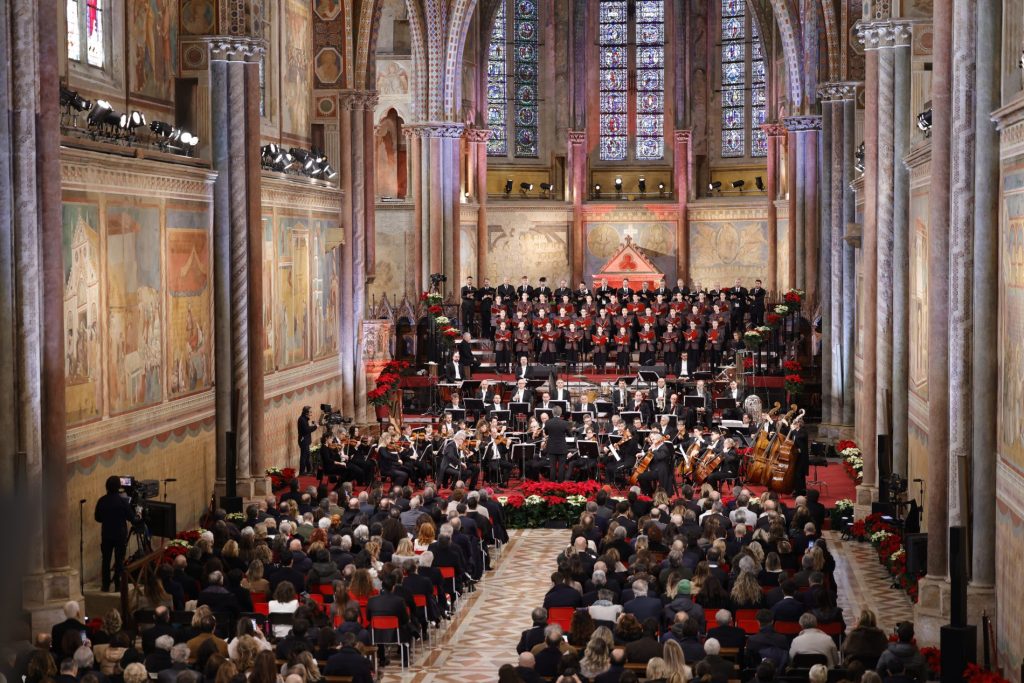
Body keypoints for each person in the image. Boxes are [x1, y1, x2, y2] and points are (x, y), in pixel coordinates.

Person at [95, 476, 135, 593]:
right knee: (119, 561)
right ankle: (118, 585)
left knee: (106, 560)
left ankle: (105, 585)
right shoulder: (122, 502)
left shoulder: (102, 501)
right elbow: (131, 518)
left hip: (106, 534)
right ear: (119, 487)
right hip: (120, 535)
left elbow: (97, 518)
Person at [544, 406, 573, 482]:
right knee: (561, 467)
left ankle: (552, 483)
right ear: (560, 413)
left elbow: (546, 433)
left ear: (552, 413)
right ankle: (560, 483)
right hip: (562, 447)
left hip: (551, 447)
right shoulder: (565, 423)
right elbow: (570, 435)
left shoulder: (548, 422)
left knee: (552, 467)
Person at [296, 407, 318, 476]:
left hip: (305, 441)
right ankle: (302, 472)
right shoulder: (302, 420)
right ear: (306, 413)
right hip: (304, 441)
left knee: (307, 456)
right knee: (304, 456)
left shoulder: (304, 419)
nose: (311, 414)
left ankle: (309, 470)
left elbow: (306, 428)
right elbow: (306, 430)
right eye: (310, 412)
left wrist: (313, 426)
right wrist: (315, 427)